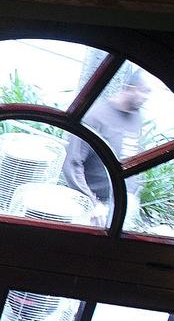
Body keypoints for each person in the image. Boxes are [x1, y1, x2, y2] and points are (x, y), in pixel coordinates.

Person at [62, 70, 151, 224]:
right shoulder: (95, 117)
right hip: (97, 207)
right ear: (128, 88)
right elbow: (72, 163)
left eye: (149, 92)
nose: (147, 98)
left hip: (124, 201)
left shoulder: (137, 117)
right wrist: (92, 203)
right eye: (143, 91)